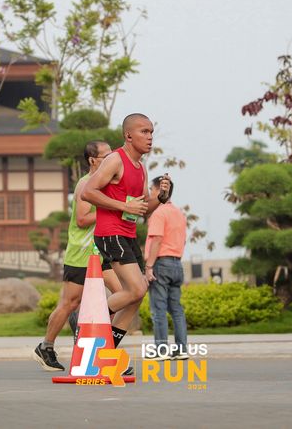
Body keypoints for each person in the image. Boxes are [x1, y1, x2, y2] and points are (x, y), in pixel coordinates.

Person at [82, 113, 171, 349]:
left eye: (151, 132)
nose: (150, 137)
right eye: (144, 131)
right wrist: (123, 206)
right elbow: (88, 192)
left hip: (128, 234)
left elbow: (142, 209)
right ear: (128, 135)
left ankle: (106, 348)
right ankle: (86, 317)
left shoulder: (141, 168)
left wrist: (161, 198)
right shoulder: (115, 160)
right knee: (137, 288)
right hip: (110, 233)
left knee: (136, 296)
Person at [33, 140, 123, 371]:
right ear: (92, 160)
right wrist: (113, 207)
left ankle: (101, 347)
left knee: (124, 294)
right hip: (82, 254)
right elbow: (82, 219)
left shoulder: (104, 184)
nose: (111, 161)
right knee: (69, 303)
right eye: (106, 157)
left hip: (100, 252)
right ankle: (46, 347)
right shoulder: (85, 184)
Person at [145, 175, 189, 360]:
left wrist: (149, 266)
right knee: (176, 309)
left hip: (161, 263)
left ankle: (161, 350)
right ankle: (181, 349)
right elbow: (183, 240)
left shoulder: (159, 213)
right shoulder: (179, 213)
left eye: (151, 190)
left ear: (158, 190)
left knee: (158, 310)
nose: (149, 193)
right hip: (177, 263)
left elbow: (157, 239)